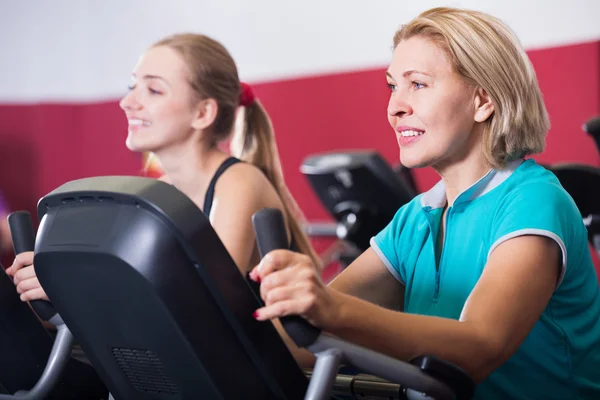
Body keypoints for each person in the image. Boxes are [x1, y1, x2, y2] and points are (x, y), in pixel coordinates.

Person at [249, 7, 600, 399]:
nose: (395, 107)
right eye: (392, 86)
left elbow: (480, 347)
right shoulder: (415, 220)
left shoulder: (533, 200)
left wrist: (331, 309)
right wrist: (290, 303)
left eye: (417, 84)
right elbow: (301, 343)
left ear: (483, 100)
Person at [7, 33, 320, 309]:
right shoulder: (161, 193)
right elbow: (135, 291)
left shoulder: (238, 182)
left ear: (203, 112)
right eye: (132, 87)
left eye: (153, 90)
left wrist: (71, 286)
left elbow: (203, 301)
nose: (127, 102)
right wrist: (48, 288)